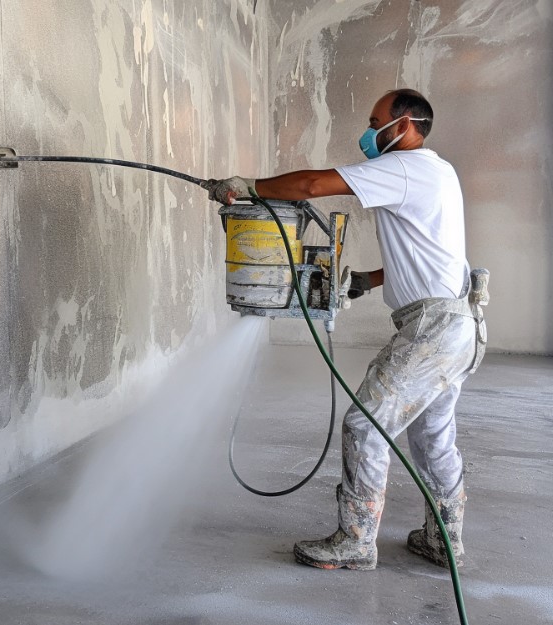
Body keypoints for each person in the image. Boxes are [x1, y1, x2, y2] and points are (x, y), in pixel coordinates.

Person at [205, 88, 487, 571]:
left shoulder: (403, 166)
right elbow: (431, 250)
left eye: (376, 121)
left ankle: (356, 541)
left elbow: (314, 185)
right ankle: (445, 541)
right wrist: (368, 280)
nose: (368, 131)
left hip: (433, 330)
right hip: (461, 323)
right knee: (433, 437)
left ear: (404, 126)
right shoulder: (440, 171)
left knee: (365, 425)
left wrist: (250, 186)